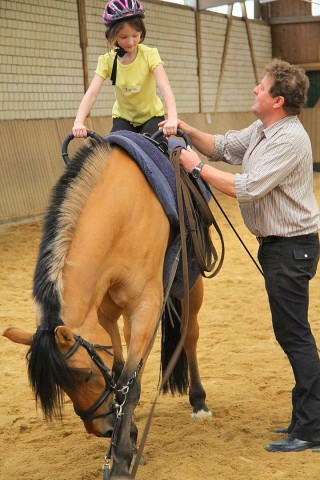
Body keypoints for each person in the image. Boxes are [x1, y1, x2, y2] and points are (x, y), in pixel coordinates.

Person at [175, 58, 320, 452]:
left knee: (295, 336)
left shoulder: (289, 140)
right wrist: (185, 130)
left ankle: (311, 429)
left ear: (277, 100)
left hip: (291, 248)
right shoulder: (263, 129)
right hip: (280, 248)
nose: (255, 89)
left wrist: (196, 168)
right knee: (291, 333)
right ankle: (303, 419)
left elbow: (249, 187)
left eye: (261, 86)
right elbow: (222, 146)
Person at [72, 0, 177, 140]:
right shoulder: (107, 60)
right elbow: (91, 93)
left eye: (135, 35)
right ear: (112, 36)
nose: (130, 42)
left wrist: (172, 118)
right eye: (123, 37)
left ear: (141, 32)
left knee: (159, 148)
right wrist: (79, 122)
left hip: (151, 116)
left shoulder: (150, 54)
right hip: (123, 119)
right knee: (112, 149)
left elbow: (164, 86)